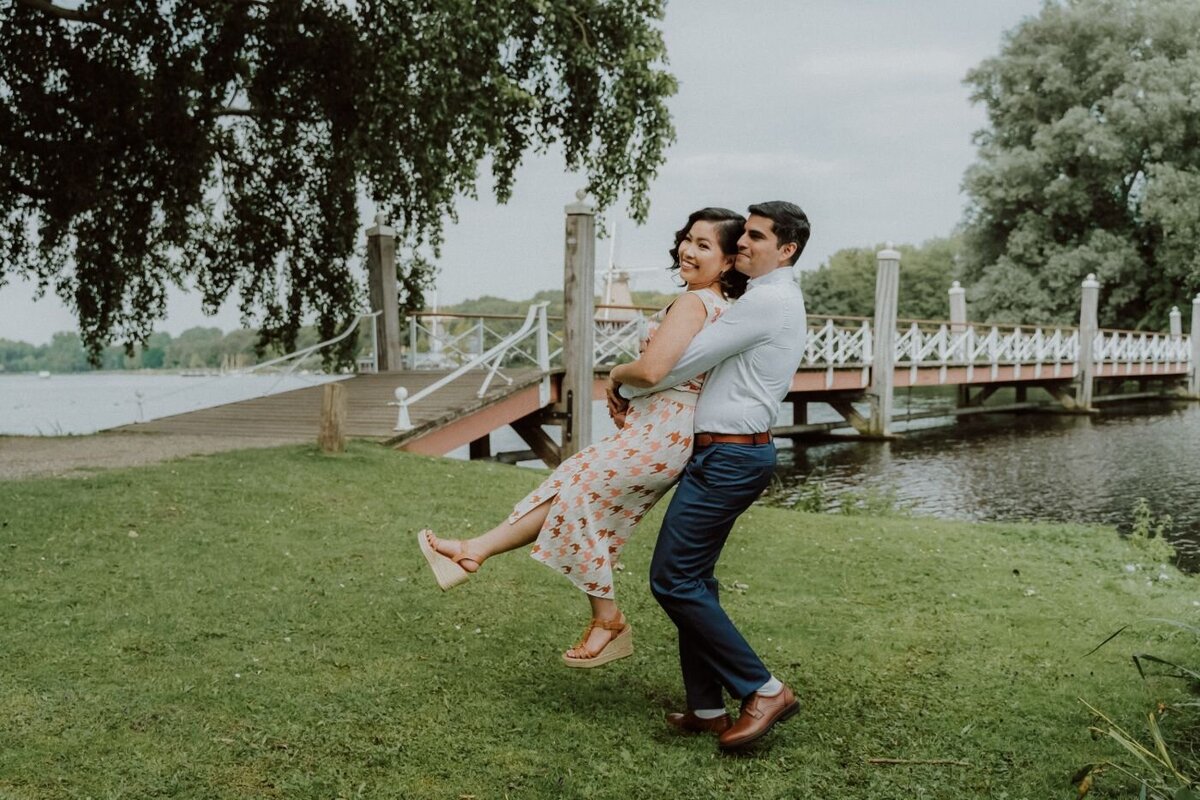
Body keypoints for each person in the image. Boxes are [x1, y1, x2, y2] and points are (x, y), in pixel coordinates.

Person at [418, 207, 750, 668]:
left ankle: (607, 619)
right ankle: (475, 551)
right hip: (660, 431)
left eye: (704, 246)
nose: (688, 251)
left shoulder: (695, 303)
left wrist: (614, 375)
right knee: (570, 479)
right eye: (688, 240)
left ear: (730, 261)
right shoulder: (717, 307)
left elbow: (653, 369)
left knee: (576, 494)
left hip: (660, 435)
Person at [610, 201, 810, 751]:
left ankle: (764, 689)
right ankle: (705, 707)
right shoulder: (774, 297)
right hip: (729, 453)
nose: (743, 243)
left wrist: (619, 379)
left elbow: (667, 367)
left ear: (786, 250)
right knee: (694, 579)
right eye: (743, 234)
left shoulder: (767, 301)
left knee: (672, 579)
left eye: (757, 237)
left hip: (730, 457)